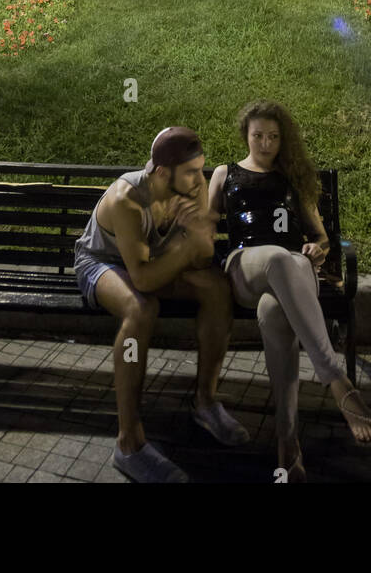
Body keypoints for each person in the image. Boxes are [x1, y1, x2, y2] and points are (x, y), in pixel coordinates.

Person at [209, 101, 371, 483]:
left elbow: (321, 236)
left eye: (274, 137)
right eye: (258, 135)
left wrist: (318, 249)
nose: (266, 143)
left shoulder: (293, 179)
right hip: (245, 267)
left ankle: (287, 444)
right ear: (246, 134)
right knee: (277, 257)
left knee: (276, 314)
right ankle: (338, 384)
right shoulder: (226, 174)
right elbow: (206, 230)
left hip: (294, 272)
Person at [74, 126, 249, 482]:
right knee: (140, 309)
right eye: (190, 171)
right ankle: (129, 443)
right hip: (102, 264)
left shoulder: (192, 186)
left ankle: (205, 402)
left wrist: (192, 241)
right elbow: (142, 280)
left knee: (217, 289)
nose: (199, 178)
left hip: (155, 261)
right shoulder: (128, 199)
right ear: (161, 173)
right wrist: (186, 243)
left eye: (200, 168)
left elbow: (202, 259)